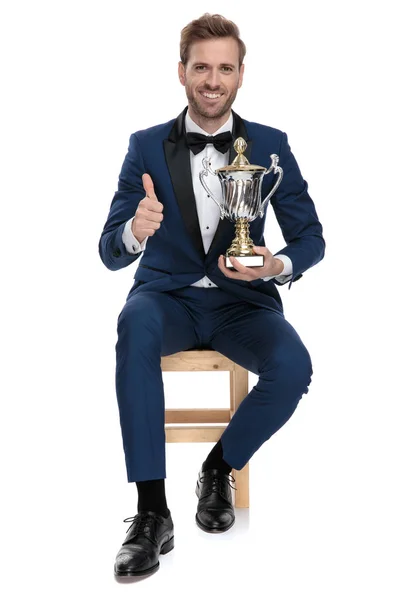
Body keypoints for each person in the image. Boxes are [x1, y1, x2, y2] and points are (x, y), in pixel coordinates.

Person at [99, 12, 325, 578]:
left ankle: (219, 467)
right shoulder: (145, 146)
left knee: (295, 367)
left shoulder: (270, 145)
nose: (212, 80)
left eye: (225, 68)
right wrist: (135, 230)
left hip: (242, 304)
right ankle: (151, 512)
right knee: (135, 325)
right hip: (166, 299)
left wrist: (276, 264)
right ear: (182, 73)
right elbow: (108, 250)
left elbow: (311, 238)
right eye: (202, 67)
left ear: (241, 75)